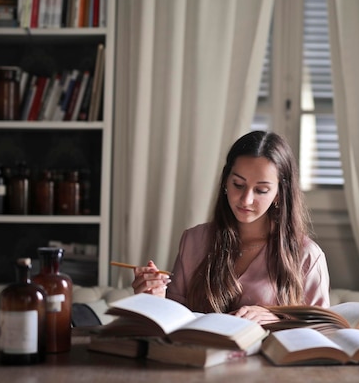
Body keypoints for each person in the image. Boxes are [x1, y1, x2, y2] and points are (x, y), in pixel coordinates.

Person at [132, 130, 330, 324]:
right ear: (226, 181)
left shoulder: (307, 255)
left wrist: (278, 319)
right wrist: (154, 301)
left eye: (261, 190)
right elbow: (173, 323)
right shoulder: (194, 241)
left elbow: (321, 334)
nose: (246, 199)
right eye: (238, 184)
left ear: (279, 194)